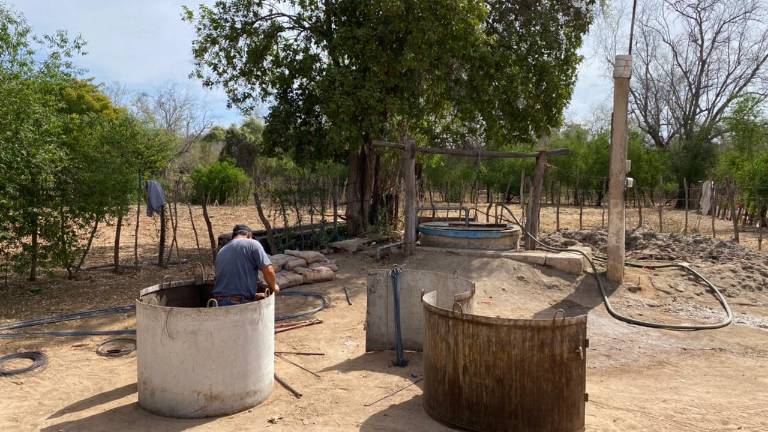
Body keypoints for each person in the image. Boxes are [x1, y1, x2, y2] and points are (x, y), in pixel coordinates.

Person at [211, 224, 279, 306]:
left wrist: (254, 295)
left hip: (218, 303)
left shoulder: (222, 250)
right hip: (239, 305)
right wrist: (274, 287)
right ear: (249, 234)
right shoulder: (252, 244)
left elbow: (231, 282)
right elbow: (268, 270)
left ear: (234, 236)